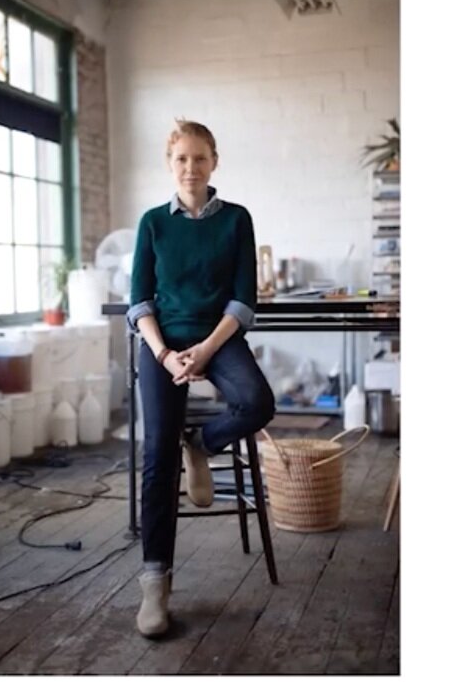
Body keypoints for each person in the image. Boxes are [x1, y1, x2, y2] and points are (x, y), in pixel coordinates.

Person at [126, 119, 275, 638]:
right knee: (157, 454)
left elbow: (243, 300)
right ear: (170, 164)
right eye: (182, 159)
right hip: (163, 343)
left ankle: (202, 444)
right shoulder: (152, 223)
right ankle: (155, 584)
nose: (191, 168)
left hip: (219, 337)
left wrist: (207, 350)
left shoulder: (236, 219)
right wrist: (166, 355)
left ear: (215, 162)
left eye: (200, 158)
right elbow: (139, 302)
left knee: (258, 403)